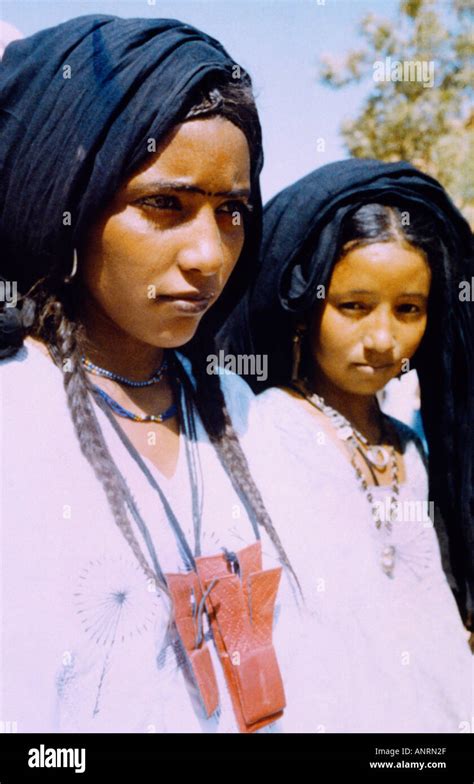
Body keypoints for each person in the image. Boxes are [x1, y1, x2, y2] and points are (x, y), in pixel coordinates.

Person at [0, 14, 306, 734]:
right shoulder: (15, 412)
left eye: (232, 212)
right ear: (64, 202)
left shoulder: (244, 412)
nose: (208, 255)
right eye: (163, 204)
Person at [218, 159, 474, 732]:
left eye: (409, 309)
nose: (383, 338)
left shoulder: (409, 450)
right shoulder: (264, 437)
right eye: (353, 306)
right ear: (305, 309)